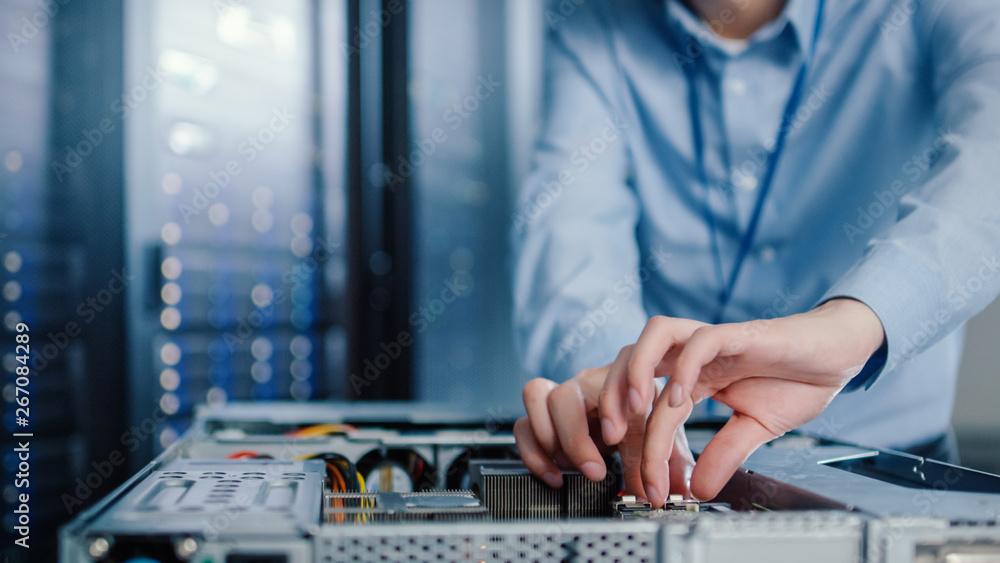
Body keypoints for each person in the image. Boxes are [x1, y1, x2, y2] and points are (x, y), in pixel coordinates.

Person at [512, 0, 1000, 507]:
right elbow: (569, 221)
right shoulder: (592, 24)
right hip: (667, 469)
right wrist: (622, 397)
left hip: (888, 465)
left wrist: (851, 328)